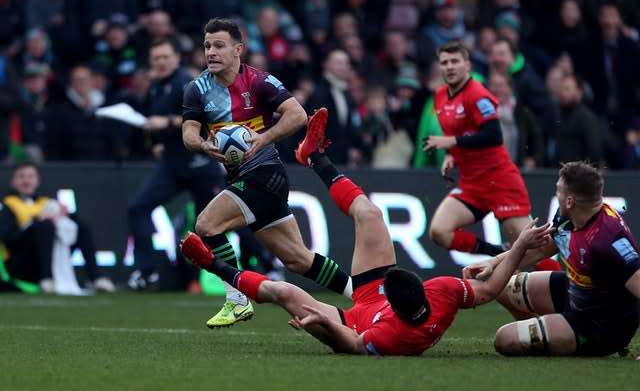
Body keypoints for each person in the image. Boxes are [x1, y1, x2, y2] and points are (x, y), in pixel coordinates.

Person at [179, 108, 554, 355]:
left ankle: (213, 264)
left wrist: (324, 321)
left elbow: (357, 346)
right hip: (374, 299)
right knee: (371, 214)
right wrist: (519, 246)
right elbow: (489, 289)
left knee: (283, 291)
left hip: (353, 324)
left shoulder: (392, 337)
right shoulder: (442, 292)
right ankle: (314, 156)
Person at [181, 18, 352, 328]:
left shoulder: (259, 82)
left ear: (238, 49)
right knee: (298, 260)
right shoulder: (197, 89)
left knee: (206, 225)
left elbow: (298, 114)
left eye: (219, 45)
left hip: (264, 175)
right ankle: (363, 294)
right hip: (242, 180)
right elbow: (188, 133)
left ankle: (236, 298)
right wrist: (204, 146)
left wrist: (263, 137)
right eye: (207, 46)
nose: (211, 52)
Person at [464, 161, 640, 357]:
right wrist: (493, 262)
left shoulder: (608, 239)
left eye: (559, 191)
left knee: (505, 339)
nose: (557, 195)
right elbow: (541, 249)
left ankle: (561, 336)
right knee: (502, 285)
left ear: (570, 201)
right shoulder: (572, 215)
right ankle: (547, 330)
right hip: (577, 293)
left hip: (600, 325)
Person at [126, 37, 223, 290]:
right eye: (156, 58)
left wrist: (167, 122)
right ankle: (145, 272)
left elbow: (203, 116)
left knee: (215, 223)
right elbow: (155, 121)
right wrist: (159, 141)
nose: (160, 62)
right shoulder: (157, 85)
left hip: (201, 165)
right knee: (138, 207)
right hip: (172, 164)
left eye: (165, 57)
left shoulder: (187, 84)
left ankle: (264, 263)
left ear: (177, 58)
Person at [422, 40, 532, 257]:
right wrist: (451, 155)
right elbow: (462, 131)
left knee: (530, 252)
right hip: (472, 184)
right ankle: (497, 253)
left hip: (499, 181)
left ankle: (566, 288)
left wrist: (452, 142)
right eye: (444, 63)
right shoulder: (440, 96)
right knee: (439, 231)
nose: (450, 67)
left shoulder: (478, 95)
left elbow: (493, 135)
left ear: (468, 65)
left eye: (455, 61)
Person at [0, 161, 115, 293]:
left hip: (53, 255)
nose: (26, 181)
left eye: (30, 176)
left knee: (81, 226)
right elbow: (9, 239)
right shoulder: (8, 205)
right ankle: (47, 279)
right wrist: (37, 222)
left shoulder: (46, 202)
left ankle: (96, 278)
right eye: (21, 177)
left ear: (37, 180)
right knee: (45, 226)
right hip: (22, 262)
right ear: (13, 181)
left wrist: (66, 215)